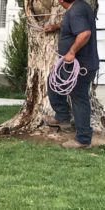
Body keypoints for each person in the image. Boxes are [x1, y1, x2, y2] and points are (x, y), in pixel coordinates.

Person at [43, 0, 99, 148]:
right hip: (72, 65)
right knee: (52, 81)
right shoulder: (81, 6)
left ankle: (83, 139)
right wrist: (55, 26)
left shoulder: (75, 11)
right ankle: (62, 118)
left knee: (79, 99)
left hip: (81, 66)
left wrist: (71, 52)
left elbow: (84, 33)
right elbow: (75, 25)